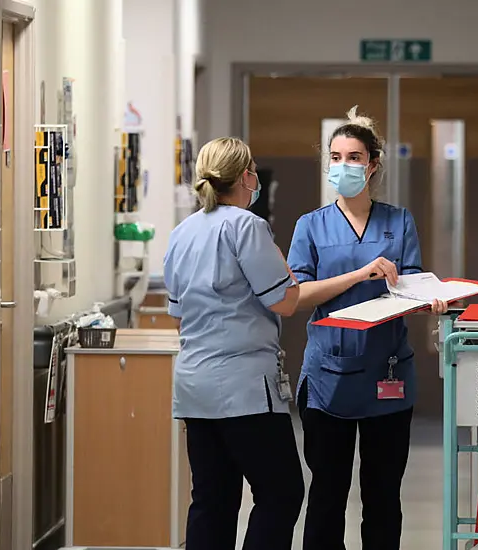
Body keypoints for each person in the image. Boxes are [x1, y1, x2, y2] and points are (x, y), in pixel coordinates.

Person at [287, 107, 448, 550]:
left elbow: (409, 286)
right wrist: (358, 275)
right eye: (335, 157)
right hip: (328, 379)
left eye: (353, 157)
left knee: (382, 497)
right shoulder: (311, 226)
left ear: (373, 164)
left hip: (387, 372)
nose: (343, 166)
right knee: (327, 495)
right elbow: (298, 295)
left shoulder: (399, 222)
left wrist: (428, 301)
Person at [163, 137, 305, 550]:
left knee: (212, 498)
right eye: (254, 171)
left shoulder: (182, 232)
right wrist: (283, 264)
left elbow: (177, 313)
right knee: (281, 493)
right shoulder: (248, 226)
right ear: (245, 177)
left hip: (195, 387)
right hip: (245, 390)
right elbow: (286, 300)